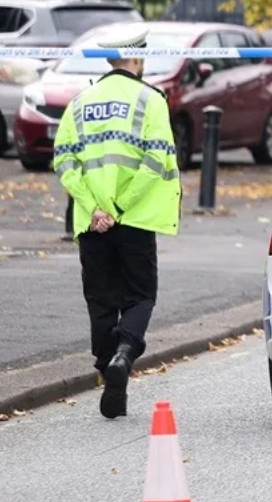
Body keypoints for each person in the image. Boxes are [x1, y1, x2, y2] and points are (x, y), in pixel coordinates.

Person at [51, 23, 182, 419]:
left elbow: (64, 160)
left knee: (101, 301)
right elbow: (156, 160)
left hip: (91, 225)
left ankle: (111, 379)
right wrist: (119, 209)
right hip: (134, 221)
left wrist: (94, 208)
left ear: (110, 59)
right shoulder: (151, 100)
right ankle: (125, 354)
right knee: (141, 296)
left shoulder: (79, 102)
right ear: (137, 57)